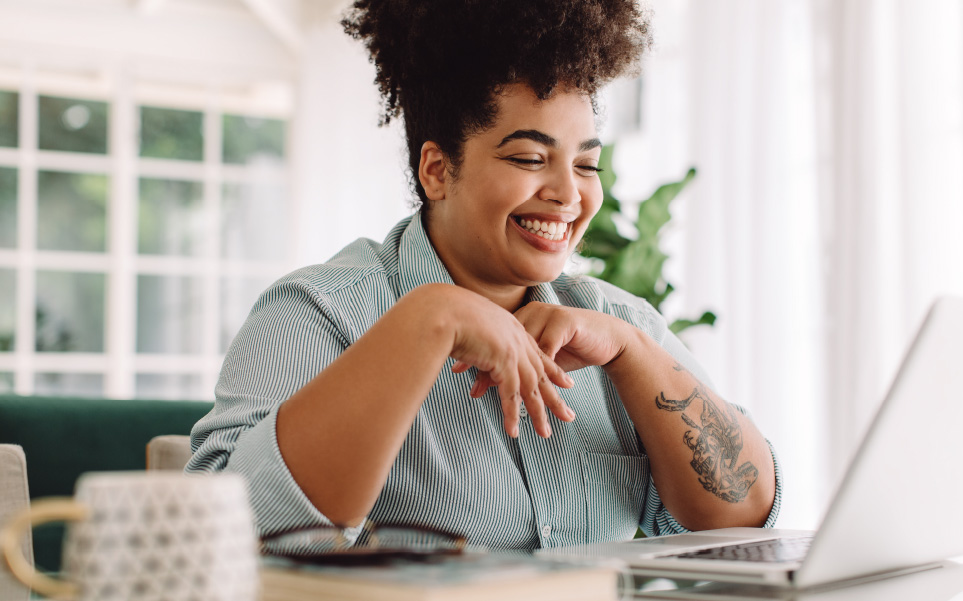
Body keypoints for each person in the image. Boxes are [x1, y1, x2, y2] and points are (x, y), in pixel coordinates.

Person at [187, 0, 781, 552]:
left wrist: (631, 353)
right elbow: (223, 534)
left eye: (586, 164)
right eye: (529, 158)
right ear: (439, 170)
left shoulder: (617, 323)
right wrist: (428, 320)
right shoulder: (315, 312)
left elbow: (745, 518)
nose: (568, 193)